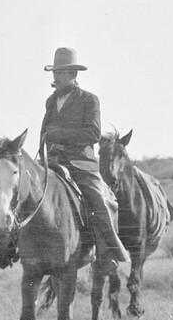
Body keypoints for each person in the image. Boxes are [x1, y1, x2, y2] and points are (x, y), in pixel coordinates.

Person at [39, 48, 131, 272]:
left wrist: (60, 134)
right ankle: (8, 247)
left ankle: (109, 253)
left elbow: (93, 134)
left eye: (60, 73)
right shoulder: (51, 101)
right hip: (52, 162)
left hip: (80, 164)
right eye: (54, 72)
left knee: (98, 201)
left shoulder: (90, 100)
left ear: (72, 74)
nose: (55, 77)